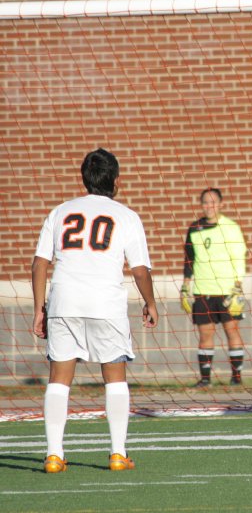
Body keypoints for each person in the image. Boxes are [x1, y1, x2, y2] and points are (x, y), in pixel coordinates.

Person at [31, 148, 159, 474]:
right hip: (106, 305)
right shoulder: (127, 216)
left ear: (83, 178)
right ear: (116, 180)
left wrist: (38, 309)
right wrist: (150, 302)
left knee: (59, 379)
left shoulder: (60, 212)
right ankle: (117, 453)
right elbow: (141, 270)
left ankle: (54, 455)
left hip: (63, 302)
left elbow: (40, 263)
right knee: (114, 376)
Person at [181, 188, 247, 387]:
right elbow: (189, 259)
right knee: (205, 335)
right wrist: (185, 286)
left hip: (227, 290)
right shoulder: (194, 228)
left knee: (232, 331)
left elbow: (239, 257)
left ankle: (236, 378)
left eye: (213, 202)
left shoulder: (231, 227)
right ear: (201, 205)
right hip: (203, 290)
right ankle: (205, 379)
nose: (209, 206)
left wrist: (238, 285)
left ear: (221, 204)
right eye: (205, 203)